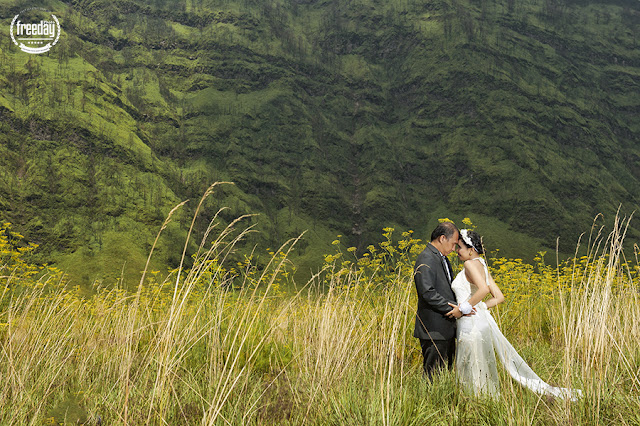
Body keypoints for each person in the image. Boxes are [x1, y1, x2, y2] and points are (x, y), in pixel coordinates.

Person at [446, 229, 582, 400]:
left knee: (470, 362)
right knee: (478, 362)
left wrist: (464, 308)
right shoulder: (482, 265)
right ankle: (481, 399)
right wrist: (479, 307)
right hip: (480, 321)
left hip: (470, 323)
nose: (457, 251)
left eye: (460, 247)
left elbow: (484, 290)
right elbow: (499, 297)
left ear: (471, 250)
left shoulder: (469, 264)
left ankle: (474, 400)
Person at [413, 221, 463, 379]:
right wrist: (454, 309)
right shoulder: (426, 258)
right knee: (433, 375)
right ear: (442, 238)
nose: (454, 249)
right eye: (454, 244)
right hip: (433, 329)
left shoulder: (441, 258)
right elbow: (427, 292)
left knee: (444, 375)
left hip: (445, 328)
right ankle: (427, 403)